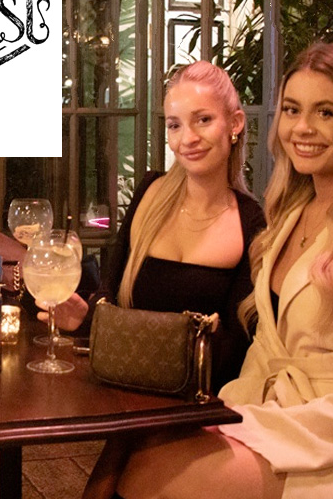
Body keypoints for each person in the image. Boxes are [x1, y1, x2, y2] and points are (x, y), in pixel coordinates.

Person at [98, 42, 333, 499]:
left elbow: (236, 340)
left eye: (326, 112)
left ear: (235, 124)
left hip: (321, 426)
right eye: (292, 110)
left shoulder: (253, 222)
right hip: (260, 402)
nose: (304, 127)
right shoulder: (288, 216)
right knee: (134, 444)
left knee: (149, 470)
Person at [58, 60, 264, 391]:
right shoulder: (150, 191)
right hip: (122, 388)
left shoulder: (251, 222)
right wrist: (85, 319)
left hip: (199, 402)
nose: (188, 139)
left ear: (235, 123)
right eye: (175, 125)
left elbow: (238, 351)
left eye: (204, 120)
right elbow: (111, 293)